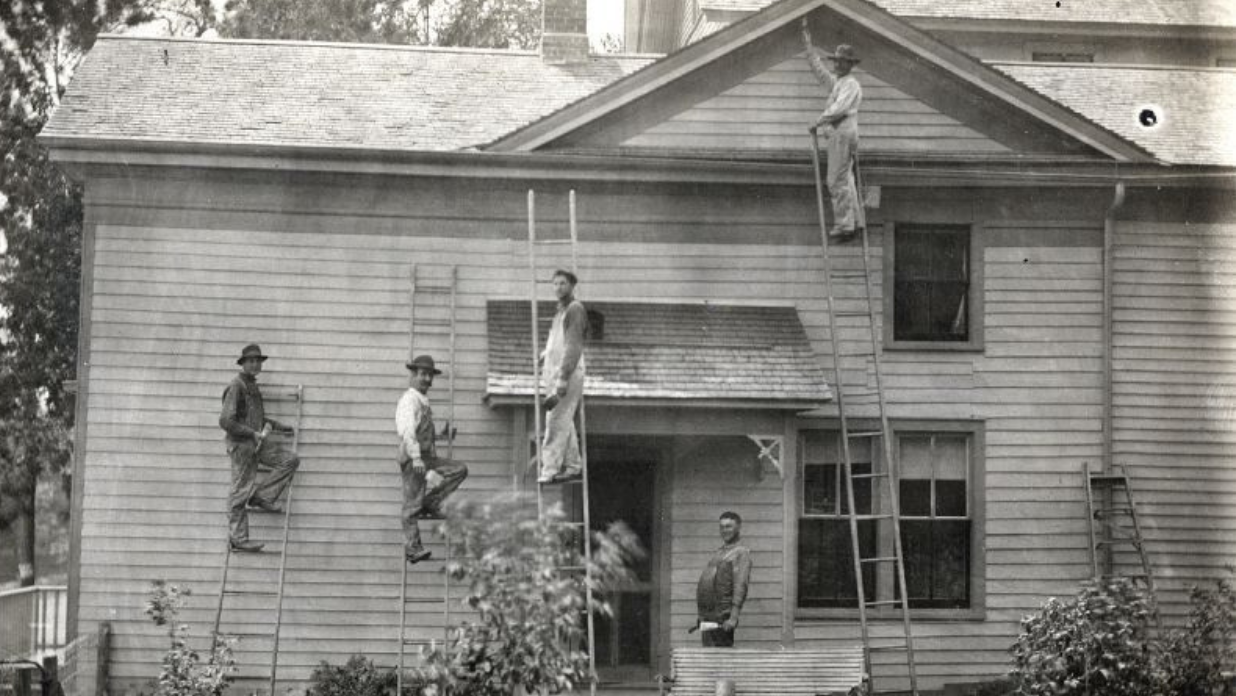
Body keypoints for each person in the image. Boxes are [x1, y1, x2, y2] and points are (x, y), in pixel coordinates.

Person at [219, 344, 300, 553]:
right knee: (240, 492)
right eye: (251, 361)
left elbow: (256, 418)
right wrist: (251, 433)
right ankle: (238, 538)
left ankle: (262, 496)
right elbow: (226, 421)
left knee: (289, 460)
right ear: (243, 363)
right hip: (241, 447)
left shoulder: (252, 386)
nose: (255, 364)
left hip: (256, 444)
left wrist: (279, 426)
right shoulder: (236, 386)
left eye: (258, 361)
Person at [396, 354, 469, 565]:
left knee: (458, 470)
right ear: (413, 375)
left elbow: (422, 432)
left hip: (427, 458)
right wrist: (417, 459)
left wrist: (441, 436)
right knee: (411, 507)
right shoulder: (409, 401)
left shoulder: (422, 400)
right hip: (413, 459)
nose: (427, 379)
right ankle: (412, 549)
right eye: (423, 374)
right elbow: (407, 432)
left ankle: (431, 502)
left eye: (430, 375)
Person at [802, 19, 864, 243]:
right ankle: (855, 221)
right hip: (839, 133)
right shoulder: (838, 83)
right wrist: (809, 48)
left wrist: (818, 122)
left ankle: (845, 225)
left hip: (843, 132)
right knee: (845, 179)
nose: (838, 65)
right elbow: (820, 73)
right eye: (836, 61)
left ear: (850, 64)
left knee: (835, 180)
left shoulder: (850, 85)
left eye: (842, 62)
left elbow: (839, 109)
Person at [537, 269, 587, 485]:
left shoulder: (575, 309)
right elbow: (557, 342)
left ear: (572, 285)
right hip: (556, 370)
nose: (558, 288)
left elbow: (573, 345)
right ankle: (574, 465)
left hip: (568, 372)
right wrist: (545, 356)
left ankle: (549, 469)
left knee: (555, 419)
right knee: (565, 420)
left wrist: (563, 378)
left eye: (563, 283)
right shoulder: (561, 310)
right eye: (555, 284)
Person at [695, 511, 753, 647]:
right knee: (708, 659)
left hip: (723, 618)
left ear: (738, 527)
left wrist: (733, 618)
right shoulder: (720, 552)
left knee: (720, 661)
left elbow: (740, 586)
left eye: (729, 526)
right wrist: (702, 615)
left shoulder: (741, 553)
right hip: (708, 616)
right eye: (722, 527)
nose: (724, 530)